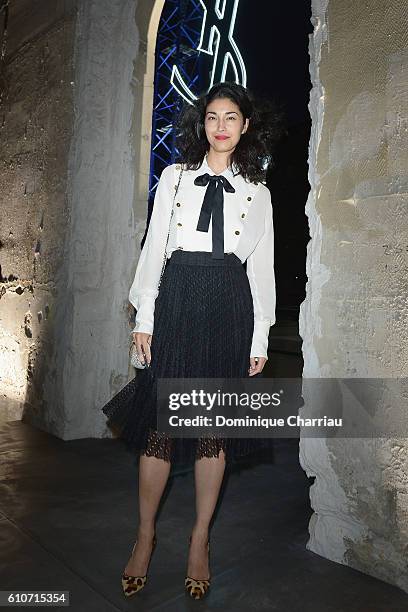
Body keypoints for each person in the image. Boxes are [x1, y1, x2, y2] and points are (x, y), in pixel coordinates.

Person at [101, 81, 283, 600]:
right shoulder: (175, 179)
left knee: (212, 432)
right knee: (162, 426)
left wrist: (260, 337)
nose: (220, 126)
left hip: (229, 306)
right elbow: (154, 248)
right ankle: (145, 536)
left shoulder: (259, 193)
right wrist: (145, 317)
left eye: (231, 117)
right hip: (177, 299)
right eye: (211, 117)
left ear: (246, 126)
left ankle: (200, 539)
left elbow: (262, 271)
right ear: (202, 125)